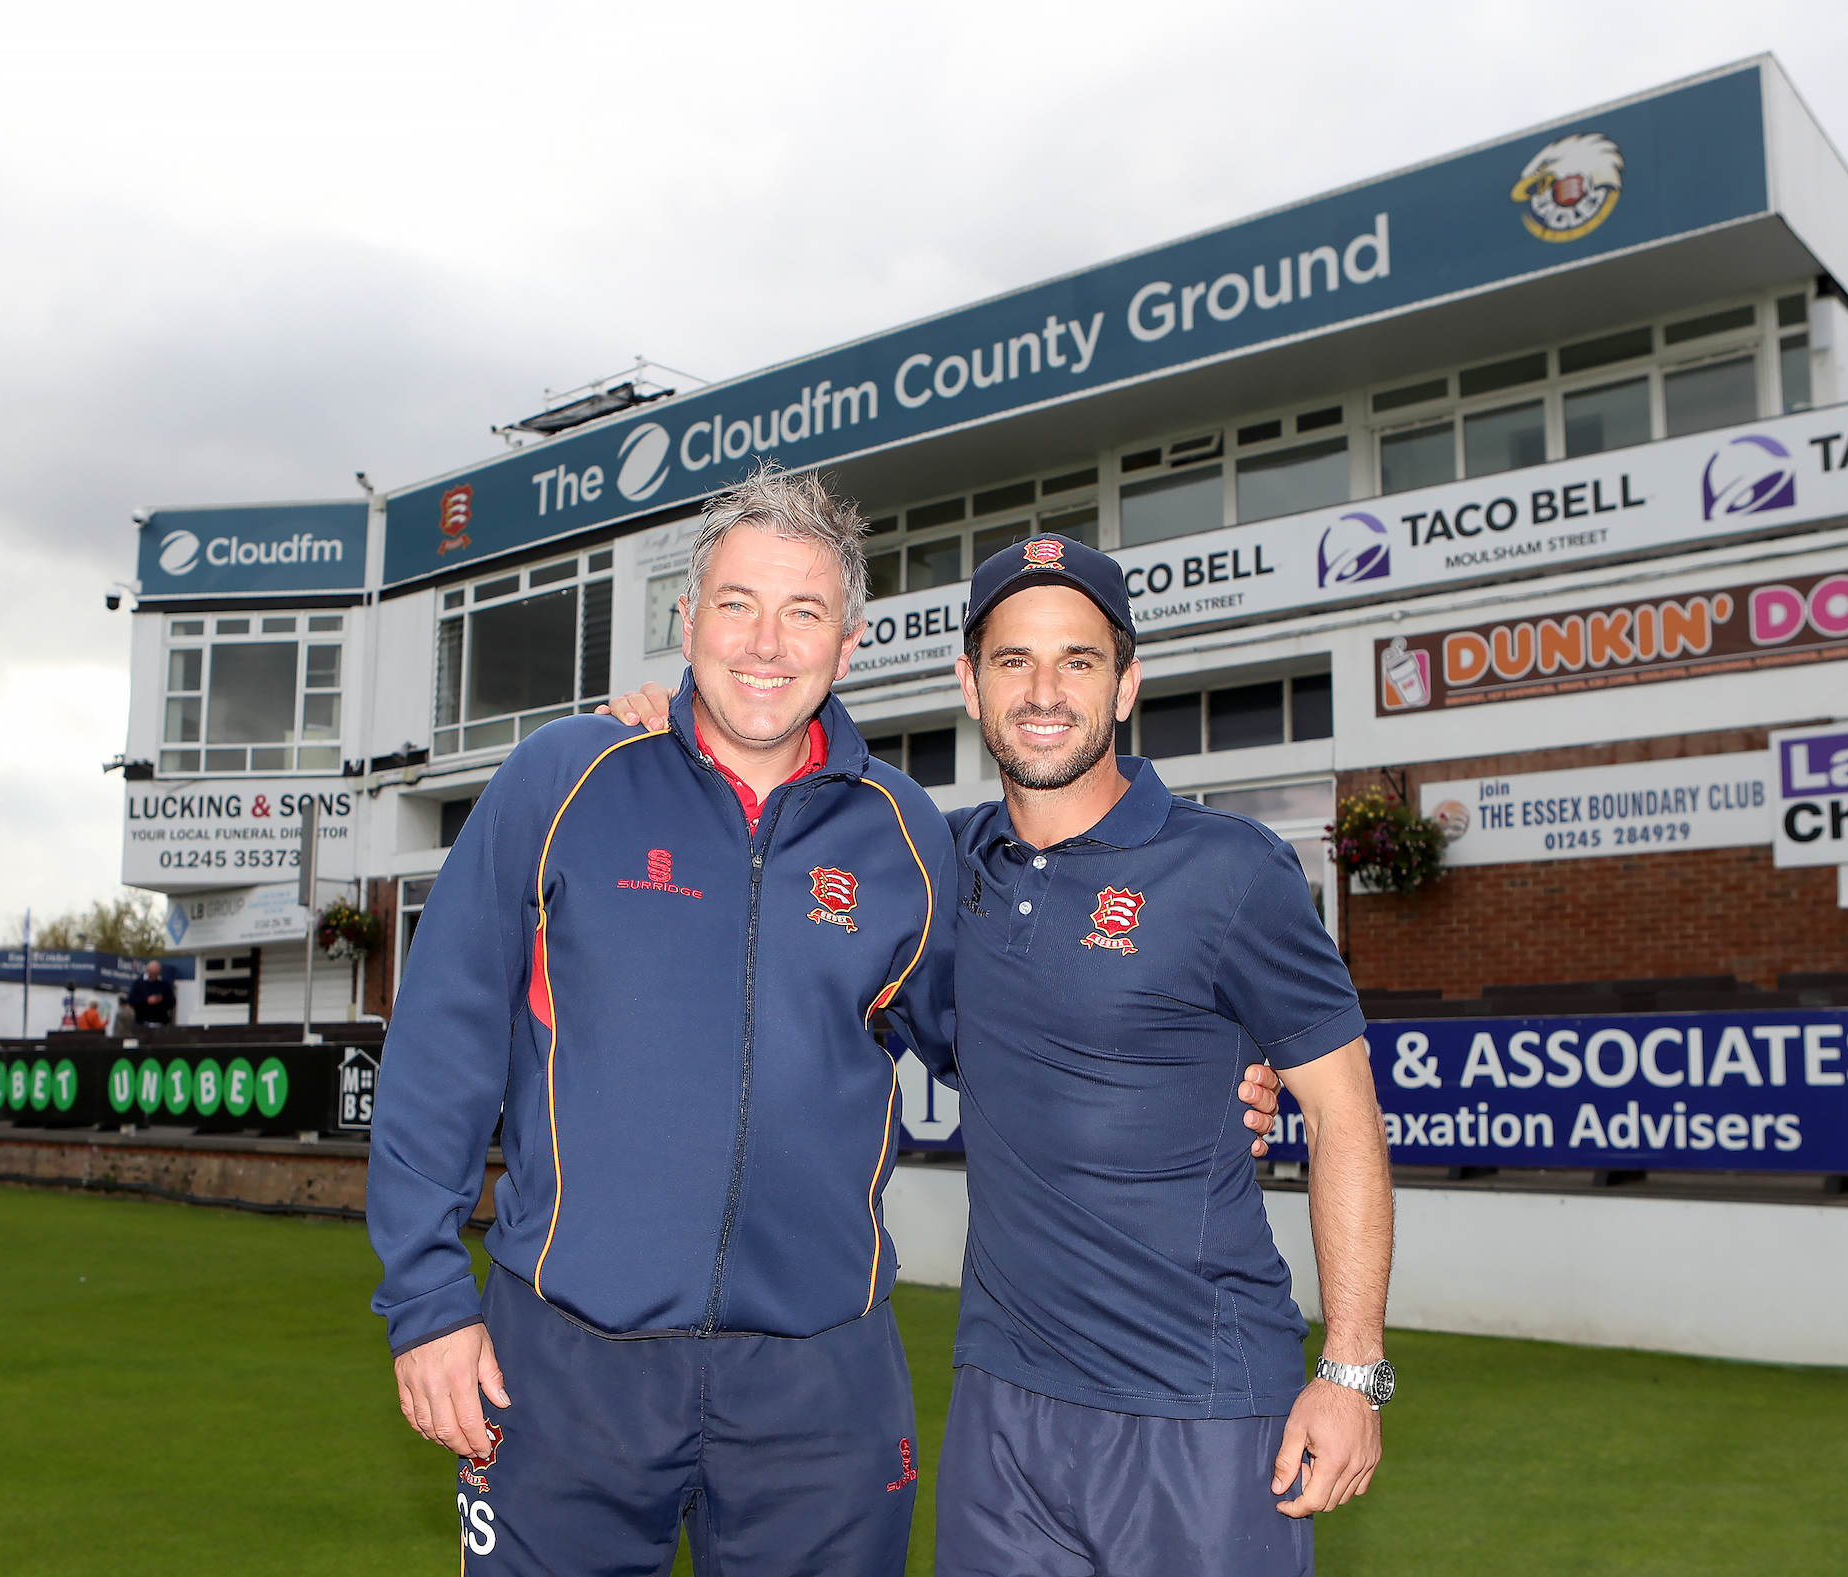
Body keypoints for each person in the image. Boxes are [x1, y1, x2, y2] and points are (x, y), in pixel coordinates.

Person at [376, 470, 1249, 1577]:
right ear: (685, 620)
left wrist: (1204, 1070)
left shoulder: (906, 836)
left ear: (850, 644)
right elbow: (441, 1044)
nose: (766, 644)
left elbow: (1013, 1039)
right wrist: (424, 1301)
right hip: (565, 1362)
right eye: (737, 602)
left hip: (819, 1385)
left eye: (805, 613)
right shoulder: (565, 777)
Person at [613, 534, 1385, 1575]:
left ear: (1127, 684)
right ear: (969, 683)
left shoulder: (1231, 867)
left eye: (1079, 659)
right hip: (1001, 1409)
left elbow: (1344, 1113)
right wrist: (674, 735)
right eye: (1014, 660)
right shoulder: (938, 861)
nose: (1045, 691)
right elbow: (783, 842)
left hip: (1198, 1406)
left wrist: (1352, 1368)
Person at [126, 959, 175, 1028]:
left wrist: (161, 999)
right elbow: (131, 1000)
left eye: (156, 974)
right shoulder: (139, 983)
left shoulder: (165, 984)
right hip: (142, 1024)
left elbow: (172, 1002)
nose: (154, 976)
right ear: (148, 971)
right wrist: (146, 1000)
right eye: (152, 973)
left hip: (161, 1023)